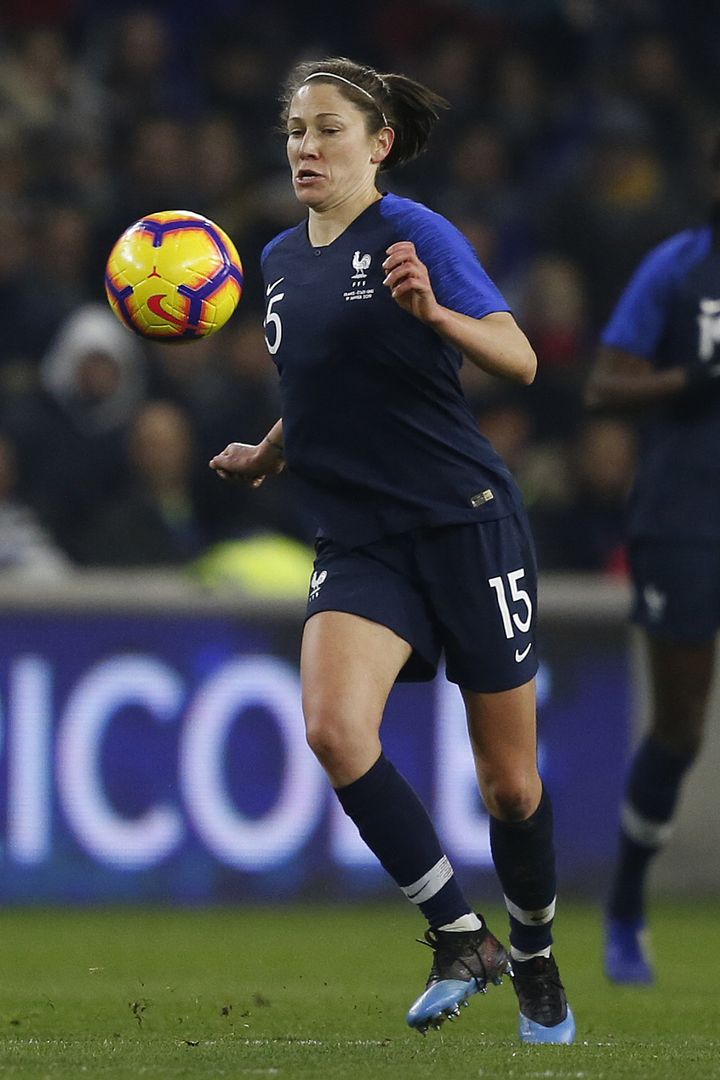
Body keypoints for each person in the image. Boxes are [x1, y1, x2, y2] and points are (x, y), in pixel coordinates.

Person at [210, 56, 575, 1044]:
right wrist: (268, 453)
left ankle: (535, 951)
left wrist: (436, 316)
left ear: (377, 144)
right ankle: (462, 937)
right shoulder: (281, 260)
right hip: (360, 537)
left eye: (327, 129)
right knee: (333, 728)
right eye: (295, 130)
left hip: (464, 520)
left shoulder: (416, 233)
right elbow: (319, 388)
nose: (305, 147)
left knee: (511, 783)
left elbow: (521, 355)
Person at [585, 133, 720, 985]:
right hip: (686, 515)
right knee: (679, 729)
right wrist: (687, 381)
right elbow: (602, 386)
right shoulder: (678, 267)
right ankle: (627, 905)